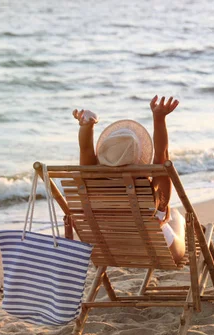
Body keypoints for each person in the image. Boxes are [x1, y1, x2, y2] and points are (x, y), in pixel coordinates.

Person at [73, 96, 186, 263]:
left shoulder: (92, 185)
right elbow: (162, 155)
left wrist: (86, 125)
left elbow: (86, 149)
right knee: (177, 216)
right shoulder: (148, 193)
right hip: (158, 252)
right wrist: (159, 117)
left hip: (111, 251)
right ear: (139, 157)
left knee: (172, 216)